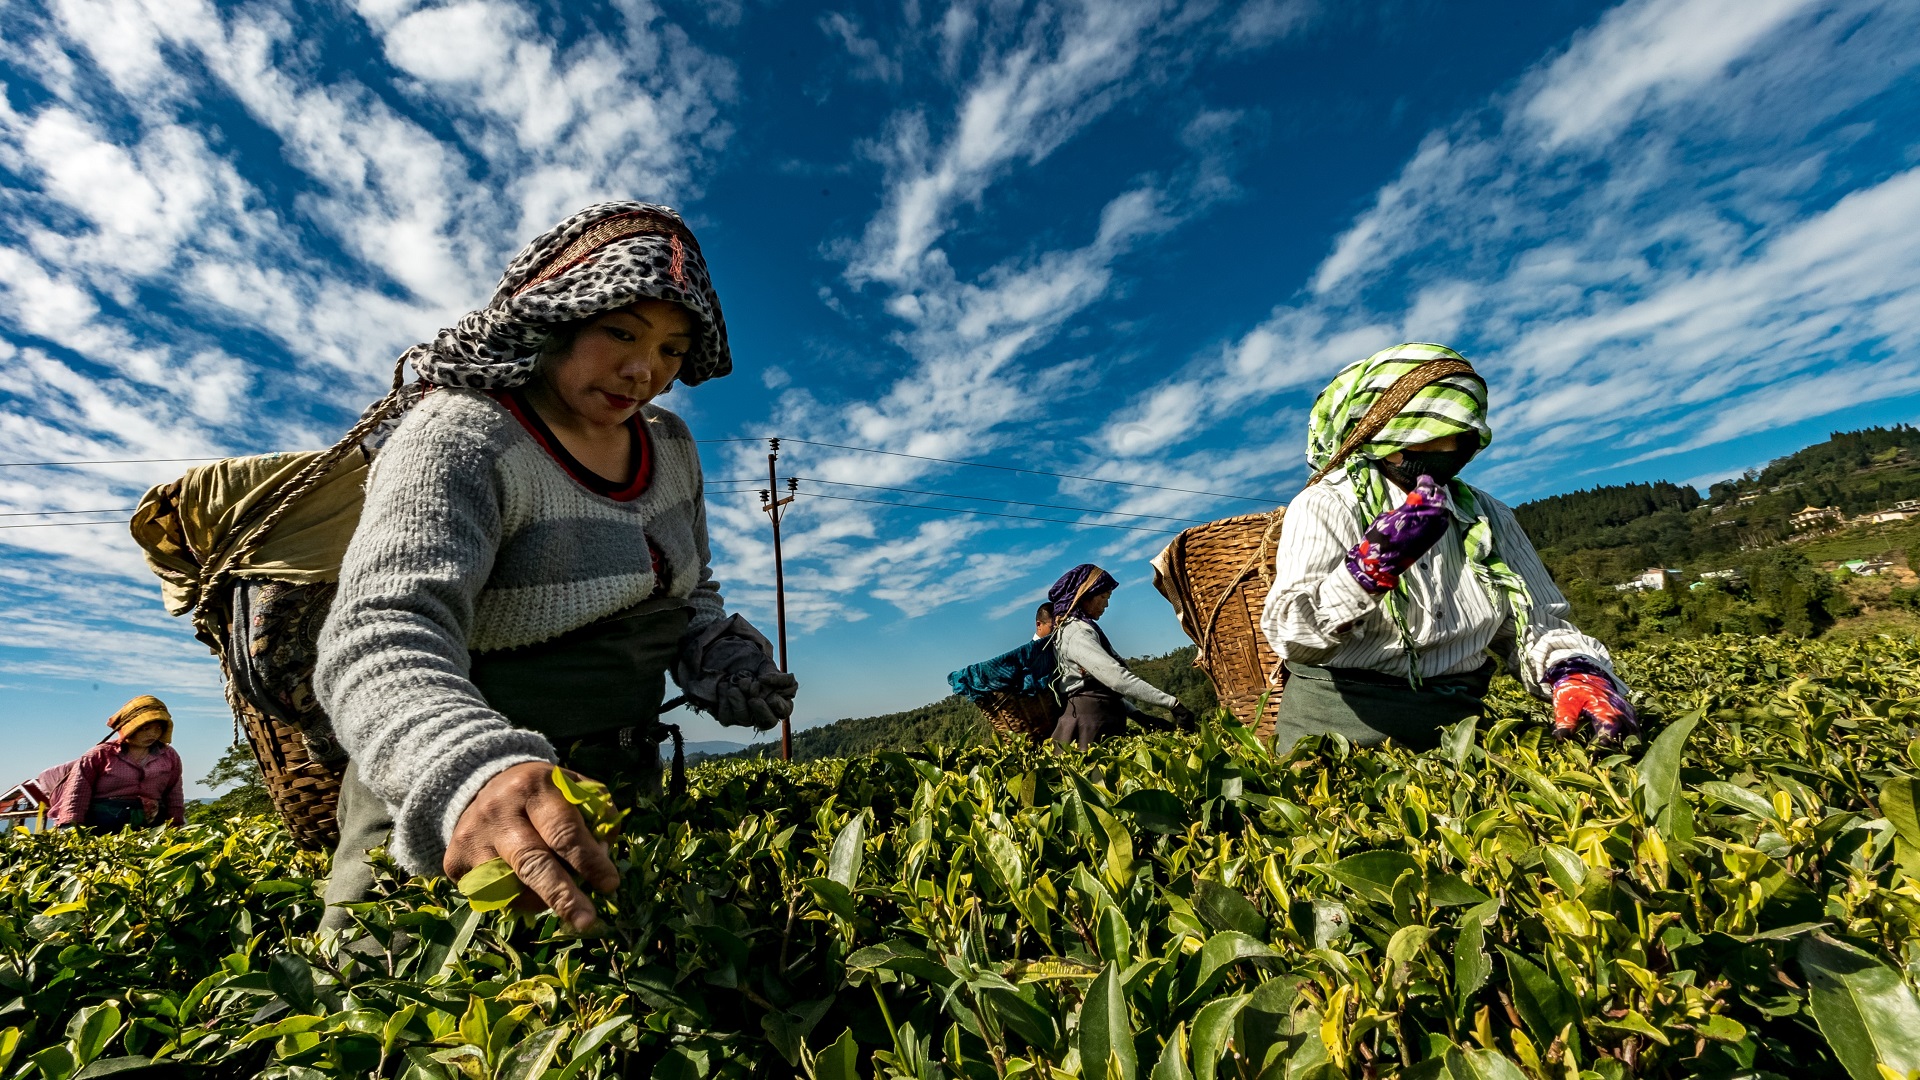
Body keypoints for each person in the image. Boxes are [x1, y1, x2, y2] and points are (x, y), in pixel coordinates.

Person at [314, 202, 797, 933]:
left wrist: (715, 651)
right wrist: (472, 771)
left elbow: (689, 587)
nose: (646, 371)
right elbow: (382, 631)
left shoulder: (669, 446)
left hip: (617, 791)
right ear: (553, 320)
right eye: (621, 333)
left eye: (672, 349)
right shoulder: (464, 434)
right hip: (463, 806)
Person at [1260, 343, 1635, 752]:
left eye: (1459, 437)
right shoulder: (1327, 503)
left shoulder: (1488, 515)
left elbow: (1535, 623)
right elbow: (1292, 634)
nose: (1448, 452)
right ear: (1380, 436)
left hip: (1457, 730)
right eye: (1428, 439)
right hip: (1337, 735)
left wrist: (1575, 671)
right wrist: (1368, 569)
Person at [1047, 564, 1195, 748]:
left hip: (1100, 716)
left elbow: (1102, 688)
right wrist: (1173, 704)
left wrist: (1138, 715)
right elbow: (1116, 678)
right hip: (1090, 723)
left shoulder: (1079, 628)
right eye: (1103, 597)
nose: (1106, 604)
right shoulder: (1076, 631)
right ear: (1084, 596)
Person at [52, 696, 186, 830]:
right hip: (103, 827)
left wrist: (176, 824)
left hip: (151, 826)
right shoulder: (100, 755)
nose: (152, 734)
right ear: (130, 728)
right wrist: (71, 826)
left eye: (157, 728)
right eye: (145, 729)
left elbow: (174, 793)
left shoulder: (169, 756)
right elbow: (77, 792)